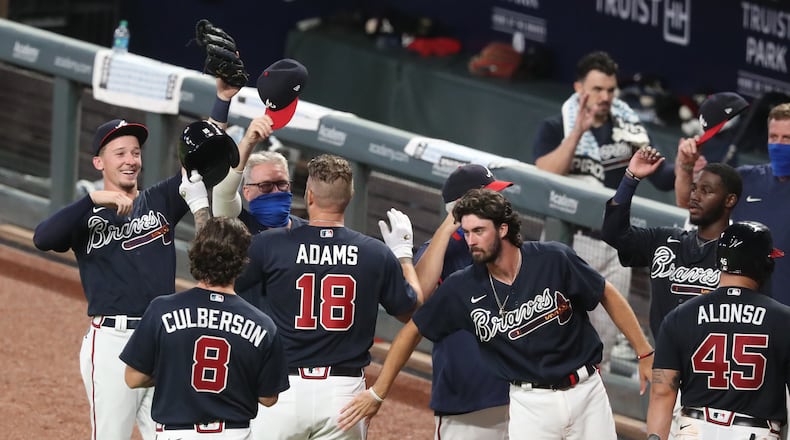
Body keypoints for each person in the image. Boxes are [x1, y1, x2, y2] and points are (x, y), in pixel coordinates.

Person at [339, 188, 654, 439]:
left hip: (587, 393)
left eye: (479, 231)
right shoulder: (462, 286)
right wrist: (379, 392)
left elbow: (607, 294)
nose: (471, 241)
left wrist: (643, 351)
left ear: (503, 228)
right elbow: (413, 328)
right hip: (531, 405)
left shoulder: (553, 259)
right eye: (467, 232)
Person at [32, 118, 210, 440]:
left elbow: (201, 156)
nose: (131, 160)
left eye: (136, 153)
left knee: (175, 435)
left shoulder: (160, 200)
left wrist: (221, 100)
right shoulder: (85, 215)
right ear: (99, 162)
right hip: (114, 342)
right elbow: (42, 239)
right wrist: (93, 200)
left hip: (161, 339)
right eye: (120, 153)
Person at [234, 154, 421, 440]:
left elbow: (220, 284)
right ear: (351, 196)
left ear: (309, 195)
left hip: (281, 389)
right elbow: (413, 313)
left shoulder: (269, 246)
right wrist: (404, 257)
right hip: (343, 396)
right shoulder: (375, 254)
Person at [532, 50, 675, 367]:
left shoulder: (626, 127)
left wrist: (688, 165)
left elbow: (664, 178)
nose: (605, 97)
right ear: (579, 88)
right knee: (553, 331)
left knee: (602, 346)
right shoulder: (556, 126)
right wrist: (578, 133)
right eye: (597, 89)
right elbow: (545, 176)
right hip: (569, 241)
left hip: (614, 246)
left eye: (610, 90)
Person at [120, 216, 290, 440]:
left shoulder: (161, 310)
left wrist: (173, 371)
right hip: (234, 434)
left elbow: (133, 378)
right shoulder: (263, 325)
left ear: (197, 254)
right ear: (241, 262)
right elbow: (269, 398)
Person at [646, 221, 789, 440]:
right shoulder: (783, 320)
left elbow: (661, 390)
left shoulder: (679, 316)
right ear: (764, 264)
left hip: (694, 431)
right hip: (756, 432)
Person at [412, 164, 512, 439]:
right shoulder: (440, 250)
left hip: (516, 392)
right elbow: (418, 294)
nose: (500, 202)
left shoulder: (506, 246)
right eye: (490, 195)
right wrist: (446, 231)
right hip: (467, 396)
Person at [602, 147, 743, 341]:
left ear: (729, 200)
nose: (695, 196)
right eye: (694, 188)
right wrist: (630, 179)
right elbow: (614, 234)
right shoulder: (665, 241)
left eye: (706, 191)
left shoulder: (741, 257)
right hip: (662, 361)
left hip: (711, 365)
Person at [676, 101, 790, 305]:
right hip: (740, 309)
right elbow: (688, 203)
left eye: (787, 139)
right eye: (774, 137)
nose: (778, 145)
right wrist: (686, 167)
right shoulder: (746, 179)